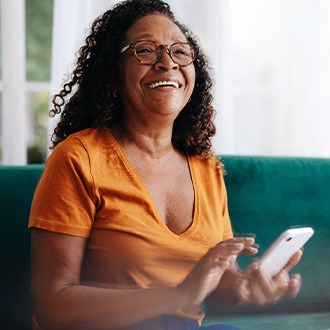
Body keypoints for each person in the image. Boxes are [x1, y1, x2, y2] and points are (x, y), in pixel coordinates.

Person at [28, 0, 303, 329]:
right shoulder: (79, 158)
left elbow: (216, 284)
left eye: (180, 51)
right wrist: (178, 294)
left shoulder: (206, 168)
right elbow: (53, 304)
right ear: (112, 73)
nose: (167, 62)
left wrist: (244, 286)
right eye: (145, 50)